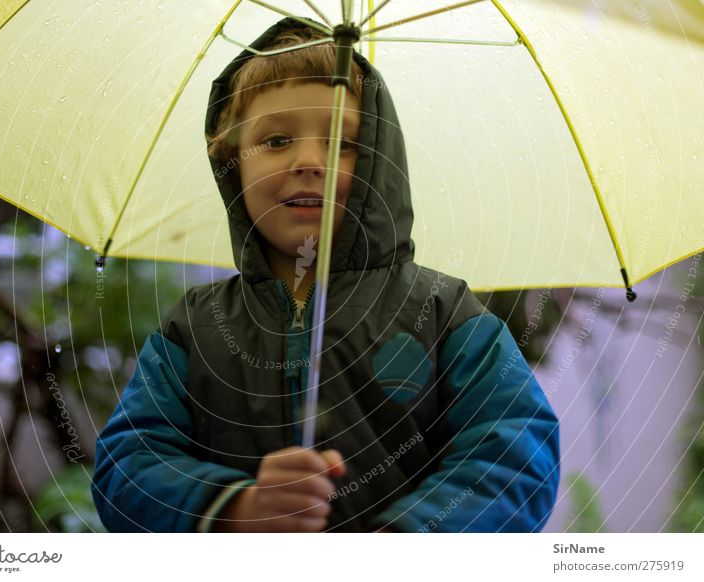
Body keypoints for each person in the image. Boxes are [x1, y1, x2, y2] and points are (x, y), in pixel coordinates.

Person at [91, 17, 560, 533]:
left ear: (380, 165)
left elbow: (515, 451)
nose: (309, 160)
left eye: (343, 142)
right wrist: (234, 508)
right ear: (230, 159)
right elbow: (128, 463)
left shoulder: (443, 312)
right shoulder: (194, 327)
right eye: (275, 141)